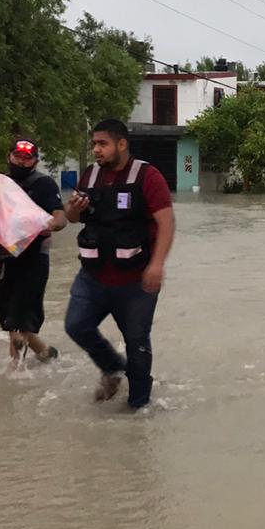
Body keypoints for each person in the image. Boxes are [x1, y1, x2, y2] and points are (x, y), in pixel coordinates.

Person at [64, 119, 175, 409]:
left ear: (121, 144)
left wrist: (157, 265)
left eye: (103, 144)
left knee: (137, 343)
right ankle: (113, 368)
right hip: (93, 276)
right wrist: (74, 209)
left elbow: (166, 223)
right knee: (76, 325)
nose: (96, 150)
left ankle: (139, 410)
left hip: (136, 280)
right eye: (94, 144)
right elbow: (72, 218)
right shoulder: (90, 176)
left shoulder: (147, 176)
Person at [0, 138, 67, 369]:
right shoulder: (0, 184)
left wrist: (51, 225)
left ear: (35, 161)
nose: (22, 161)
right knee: (10, 321)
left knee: (20, 322)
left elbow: (60, 216)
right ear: (9, 156)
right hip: (6, 258)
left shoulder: (43, 184)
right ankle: (45, 354)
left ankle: (16, 372)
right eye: (18, 156)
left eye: (27, 158)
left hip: (34, 259)